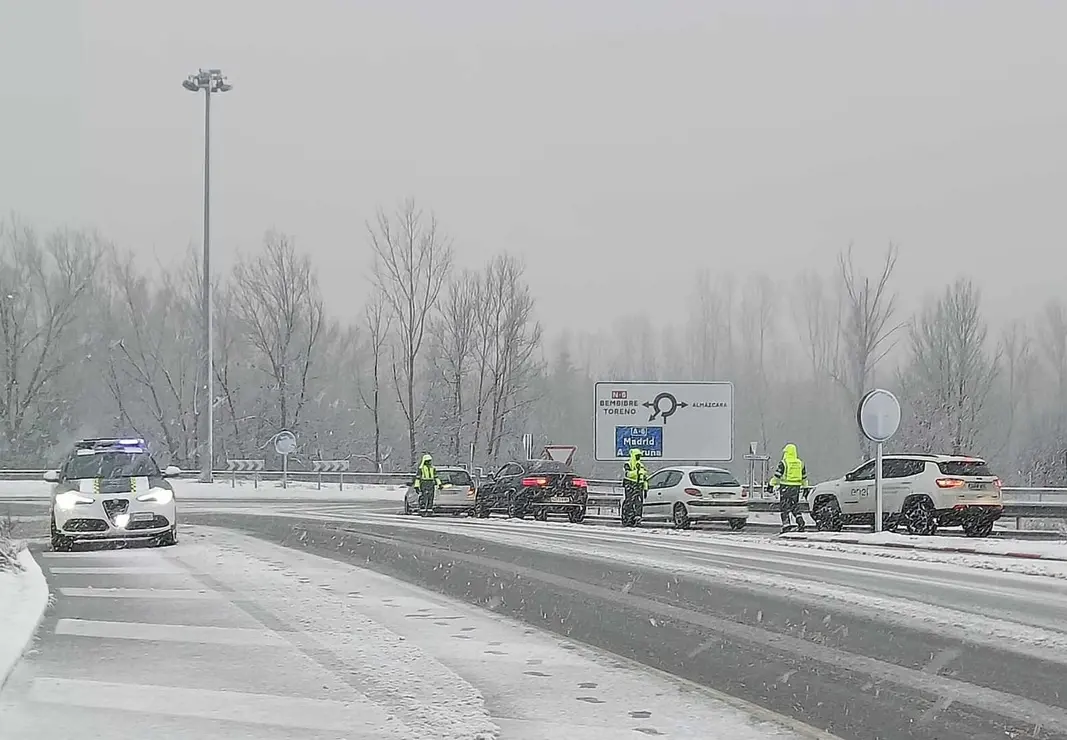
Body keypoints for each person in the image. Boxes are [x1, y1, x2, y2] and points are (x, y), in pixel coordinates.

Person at [767, 443, 809, 533]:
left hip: (785, 488)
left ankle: (786, 525)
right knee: (794, 506)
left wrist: (771, 485)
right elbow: (804, 478)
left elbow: (777, 476)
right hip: (796, 488)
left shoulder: (784, 463)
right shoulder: (800, 463)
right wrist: (805, 488)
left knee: (784, 507)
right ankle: (800, 521)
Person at [621, 448, 649, 527]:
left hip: (639, 486)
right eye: (637, 456)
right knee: (629, 502)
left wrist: (645, 488)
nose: (638, 457)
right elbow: (628, 474)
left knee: (638, 503)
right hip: (630, 485)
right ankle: (627, 518)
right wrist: (637, 472)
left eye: (639, 456)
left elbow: (644, 478)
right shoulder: (628, 464)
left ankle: (637, 517)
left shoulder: (641, 465)